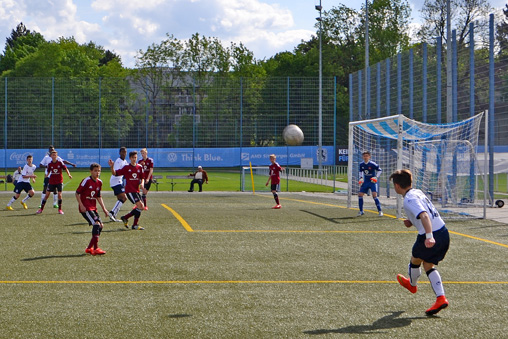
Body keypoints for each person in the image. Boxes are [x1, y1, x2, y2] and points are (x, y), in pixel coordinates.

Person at [389, 169, 450, 316]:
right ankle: (440, 298)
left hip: (431, 234)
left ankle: (412, 285)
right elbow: (425, 212)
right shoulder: (417, 192)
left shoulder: (409, 199)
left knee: (415, 259)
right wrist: (412, 220)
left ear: (397, 186)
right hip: (443, 232)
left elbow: (423, 215)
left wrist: (429, 236)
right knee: (428, 264)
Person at [76, 163, 109, 256]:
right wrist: (81, 205)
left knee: (101, 226)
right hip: (86, 208)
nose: (97, 173)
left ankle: (89, 248)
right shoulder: (86, 180)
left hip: (93, 208)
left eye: (99, 171)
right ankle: (95, 248)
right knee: (96, 224)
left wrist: (104, 209)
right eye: (95, 171)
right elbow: (77, 193)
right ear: (91, 171)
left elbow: (98, 196)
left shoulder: (99, 182)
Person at [108, 151, 146, 230]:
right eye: (132, 158)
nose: (134, 159)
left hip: (137, 191)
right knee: (141, 206)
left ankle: (127, 219)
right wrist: (112, 167)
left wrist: (142, 184)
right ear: (130, 158)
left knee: (140, 207)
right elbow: (115, 173)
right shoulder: (126, 167)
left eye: (135, 157)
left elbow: (142, 177)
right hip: (130, 191)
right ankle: (133, 223)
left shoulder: (139, 167)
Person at [357, 151, 383, 216]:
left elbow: (380, 170)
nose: (365, 157)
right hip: (366, 182)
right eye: (364, 156)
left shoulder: (372, 164)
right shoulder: (361, 164)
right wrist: (361, 178)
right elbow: (360, 171)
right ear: (362, 157)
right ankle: (361, 211)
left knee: (374, 195)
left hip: (372, 182)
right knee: (360, 194)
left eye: (367, 156)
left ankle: (380, 211)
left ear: (369, 157)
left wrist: (376, 177)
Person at [108, 147, 128, 221]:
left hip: (119, 181)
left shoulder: (125, 161)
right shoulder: (118, 161)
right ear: (119, 153)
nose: (123, 153)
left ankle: (113, 216)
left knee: (120, 199)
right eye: (122, 152)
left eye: (125, 152)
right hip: (115, 181)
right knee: (124, 198)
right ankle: (112, 212)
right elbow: (115, 173)